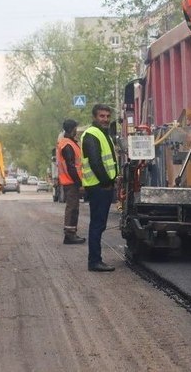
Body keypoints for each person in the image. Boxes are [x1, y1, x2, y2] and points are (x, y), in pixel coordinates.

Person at [80, 103, 119, 272]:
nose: (105, 119)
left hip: (101, 185)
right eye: (102, 116)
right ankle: (94, 261)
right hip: (98, 187)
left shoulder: (104, 133)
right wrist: (106, 182)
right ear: (95, 117)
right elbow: (96, 162)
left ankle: (95, 260)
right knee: (97, 224)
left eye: (107, 116)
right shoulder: (91, 135)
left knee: (99, 224)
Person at [56, 119, 85, 245]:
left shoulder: (69, 143)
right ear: (71, 129)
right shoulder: (67, 145)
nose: (76, 131)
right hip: (71, 182)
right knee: (72, 208)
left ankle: (72, 233)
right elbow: (71, 166)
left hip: (70, 181)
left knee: (74, 208)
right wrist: (79, 183)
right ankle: (69, 235)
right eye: (75, 128)